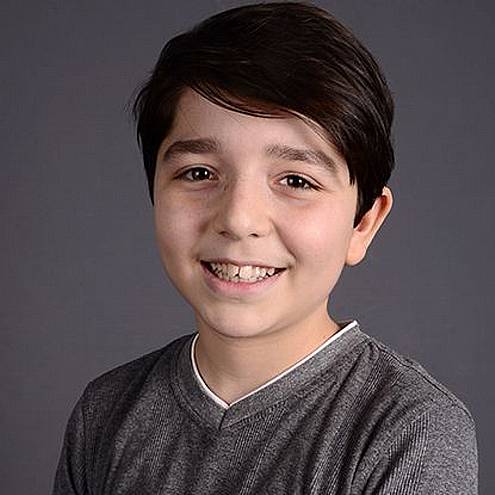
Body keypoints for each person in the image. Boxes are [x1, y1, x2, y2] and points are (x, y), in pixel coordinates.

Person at [52, 2, 478, 493]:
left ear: (363, 222)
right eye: (199, 173)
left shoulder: (409, 430)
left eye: (296, 180)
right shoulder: (105, 413)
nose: (239, 220)